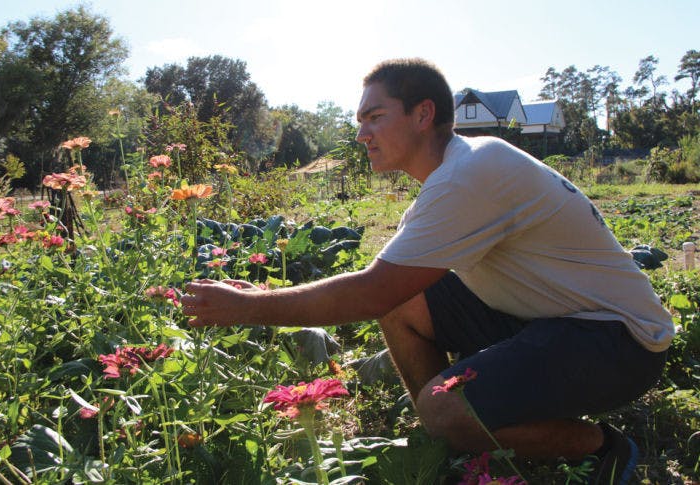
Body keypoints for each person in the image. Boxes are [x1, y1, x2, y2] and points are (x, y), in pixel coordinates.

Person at [181, 58, 674, 484]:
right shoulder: (451, 176)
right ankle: (458, 431)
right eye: (359, 121)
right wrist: (257, 296)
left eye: (374, 117)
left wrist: (247, 307)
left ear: (423, 114)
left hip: (620, 342)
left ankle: (600, 446)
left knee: (439, 402)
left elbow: (370, 293)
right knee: (407, 307)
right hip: (554, 322)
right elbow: (388, 287)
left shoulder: (471, 172)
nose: (361, 134)